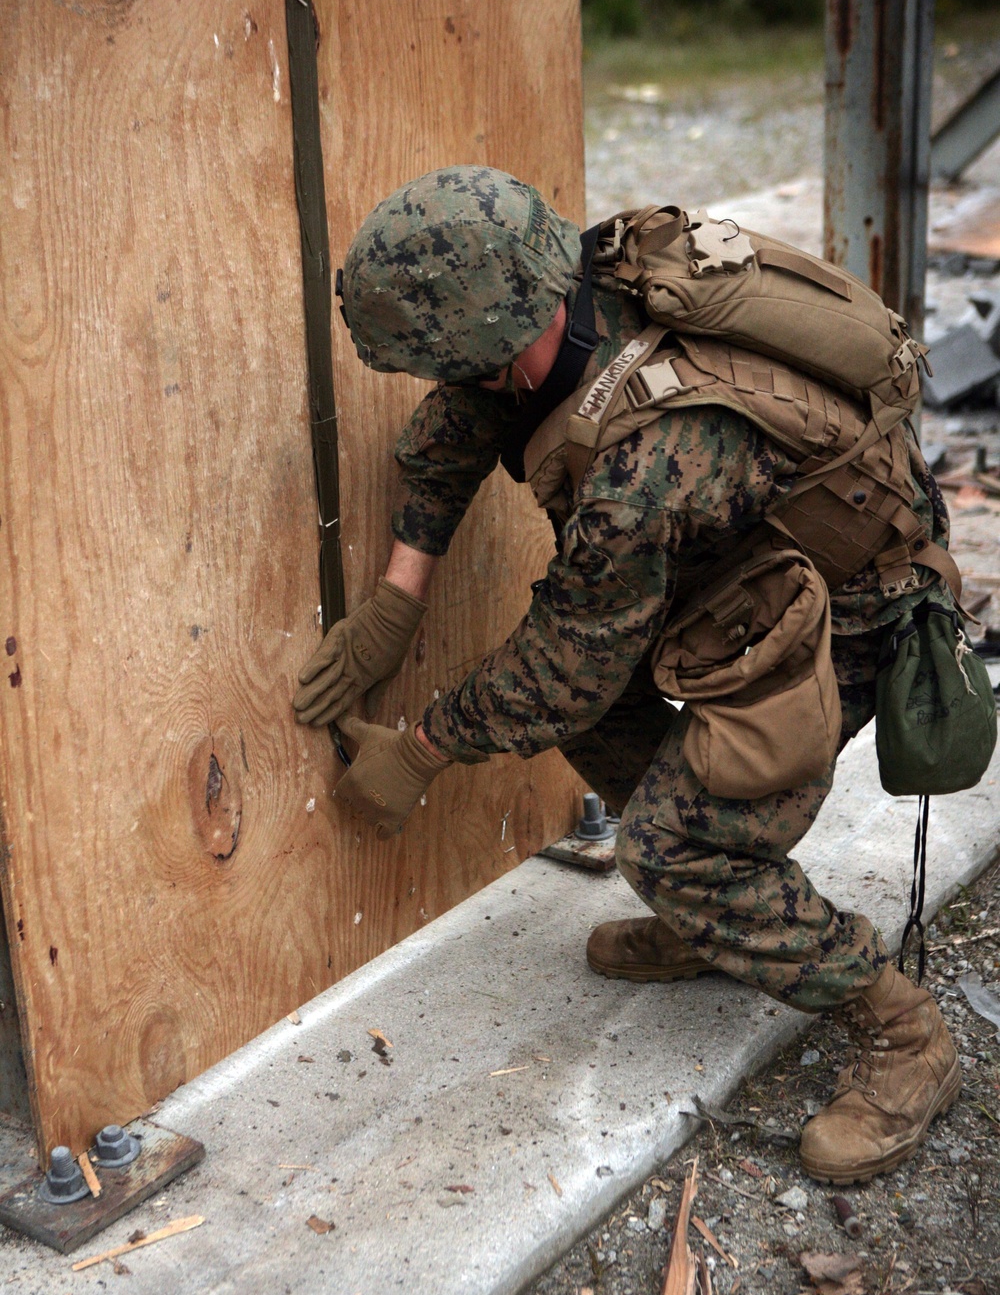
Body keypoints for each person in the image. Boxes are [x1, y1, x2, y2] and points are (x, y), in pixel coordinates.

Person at [293, 165, 960, 1186]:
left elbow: (564, 667)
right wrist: (398, 599)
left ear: (508, 340)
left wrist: (421, 749)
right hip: (739, 566)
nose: (456, 385)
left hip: (847, 612)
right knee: (597, 722)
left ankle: (902, 1029)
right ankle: (719, 919)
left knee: (670, 846)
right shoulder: (576, 285)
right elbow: (451, 436)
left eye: (460, 364)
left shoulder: (645, 471)